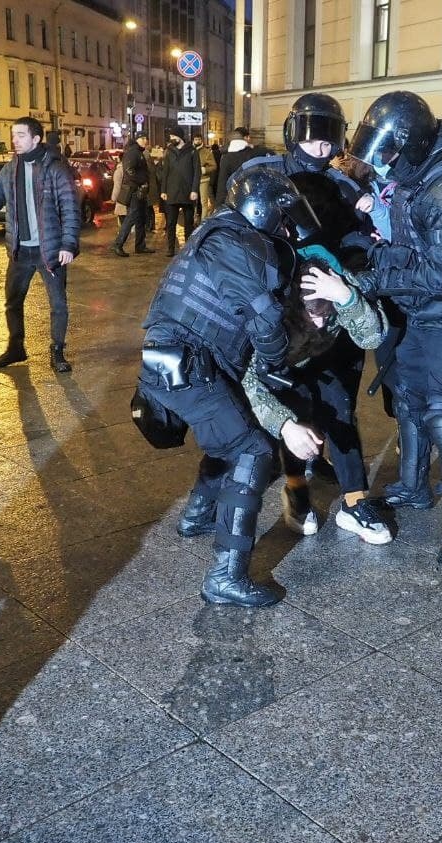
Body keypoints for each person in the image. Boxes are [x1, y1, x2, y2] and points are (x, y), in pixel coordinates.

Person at [139, 167, 320, 606]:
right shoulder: (235, 242)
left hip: (179, 362)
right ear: (263, 209)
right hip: (188, 365)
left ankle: (198, 515)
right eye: (280, 214)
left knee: (228, 435)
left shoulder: (220, 231)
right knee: (252, 449)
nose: (284, 223)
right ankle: (226, 575)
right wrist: (277, 360)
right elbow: (265, 320)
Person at [236, 92, 389, 542]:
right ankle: (296, 487)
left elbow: (367, 244)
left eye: (329, 138)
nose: (321, 147)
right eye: (312, 135)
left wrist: (347, 269)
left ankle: (356, 498)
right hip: (283, 316)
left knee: (340, 405)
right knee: (294, 404)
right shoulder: (263, 175)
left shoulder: (346, 188)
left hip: (336, 311)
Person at [348, 91, 442, 564]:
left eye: (389, 152)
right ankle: (413, 485)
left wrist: (376, 275)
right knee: (407, 403)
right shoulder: (413, 179)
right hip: (412, 312)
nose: (384, 162)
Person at [241, 257, 391, 544]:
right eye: (312, 315)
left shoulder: (342, 284)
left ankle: (354, 502)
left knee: (340, 412)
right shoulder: (270, 305)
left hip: (327, 356)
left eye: (326, 314)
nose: (320, 322)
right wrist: (284, 424)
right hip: (281, 363)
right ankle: (296, 489)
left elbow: (372, 337)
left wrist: (346, 299)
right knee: (296, 417)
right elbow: (248, 380)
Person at [0, 117, 80, 372]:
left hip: (49, 250)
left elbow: (70, 207)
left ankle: (57, 351)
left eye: (21, 135)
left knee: (58, 304)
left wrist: (68, 245)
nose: (14, 140)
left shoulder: (55, 168)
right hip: (19, 250)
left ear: (36, 139)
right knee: (12, 301)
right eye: (13, 135)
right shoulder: (10, 168)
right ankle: (16, 347)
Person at [111, 132, 154, 256]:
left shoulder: (138, 152)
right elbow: (129, 170)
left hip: (140, 190)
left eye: (146, 138)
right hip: (134, 189)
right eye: (143, 138)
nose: (145, 140)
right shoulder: (133, 152)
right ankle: (118, 244)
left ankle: (140, 245)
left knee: (141, 217)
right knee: (131, 217)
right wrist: (142, 181)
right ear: (137, 139)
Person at [159, 128, 201, 256]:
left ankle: (188, 249)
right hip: (172, 192)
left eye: (173, 136)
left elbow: (197, 172)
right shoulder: (169, 151)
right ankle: (170, 249)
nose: (171, 139)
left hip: (188, 192)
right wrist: (163, 190)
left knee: (188, 223)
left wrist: (194, 189)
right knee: (171, 223)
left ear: (180, 137)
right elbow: (165, 172)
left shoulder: (192, 151)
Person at [214, 128, 271, 208]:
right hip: (255, 196)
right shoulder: (257, 152)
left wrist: (218, 206)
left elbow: (222, 183)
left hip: (234, 197)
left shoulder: (226, 157)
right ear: (245, 139)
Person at [196, 134, 216, 220]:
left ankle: (203, 221)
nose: (197, 141)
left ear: (201, 140)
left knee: (203, 202)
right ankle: (194, 219)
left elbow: (214, 166)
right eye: (195, 139)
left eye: (198, 139)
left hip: (203, 180)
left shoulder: (206, 152)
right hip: (192, 180)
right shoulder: (191, 151)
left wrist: (204, 170)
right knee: (193, 201)